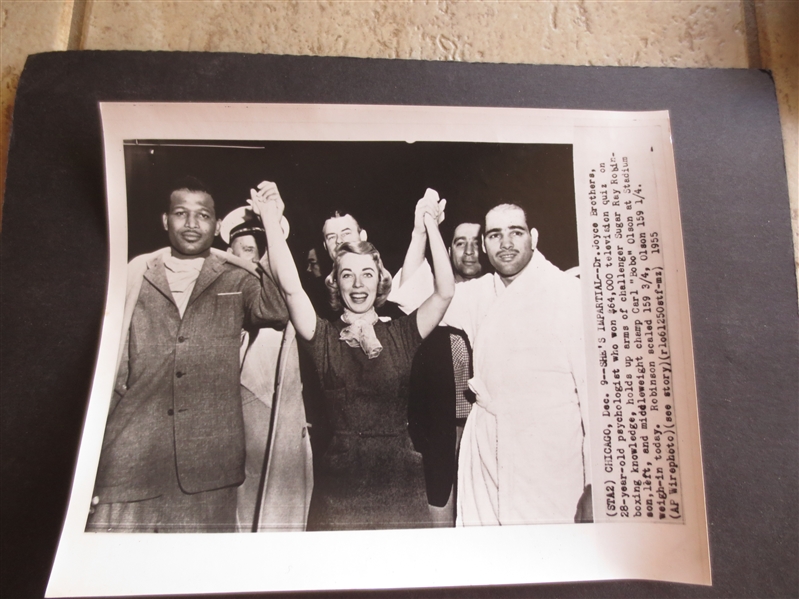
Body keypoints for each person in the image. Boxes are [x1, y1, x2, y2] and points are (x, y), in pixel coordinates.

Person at [86, 177, 289, 533]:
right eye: (181, 213)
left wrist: (272, 222)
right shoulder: (135, 273)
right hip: (132, 456)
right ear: (166, 220)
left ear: (215, 225)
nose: (192, 224)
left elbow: (275, 309)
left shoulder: (235, 277)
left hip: (209, 464)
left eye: (203, 215)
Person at [253, 180, 455, 531]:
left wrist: (430, 227)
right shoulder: (322, 337)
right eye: (348, 275)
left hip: (401, 484)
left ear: (381, 281)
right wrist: (271, 221)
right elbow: (289, 286)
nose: (358, 284)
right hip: (339, 488)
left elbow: (445, 290)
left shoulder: (403, 333)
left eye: (367, 274)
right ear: (335, 282)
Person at [391, 195, 592, 526]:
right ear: (484, 246)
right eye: (495, 235)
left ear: (535, 238)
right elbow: (417, 297)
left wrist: (595, 484)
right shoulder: (480, 293)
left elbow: (594, 398)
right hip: (486, 450)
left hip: (552, 454)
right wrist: (420, 232)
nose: (506, 243)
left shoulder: (567, 293)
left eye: (516, 232)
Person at [219, 206, 312, 532]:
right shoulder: (218, 288)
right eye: (244, 251)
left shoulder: (276, 300)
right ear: (229, 250)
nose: (252, 261)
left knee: (274, 498)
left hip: (271, 413)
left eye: (258, 253)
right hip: (228, 413)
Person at [407, 219, 483, 526]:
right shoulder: (433, 297)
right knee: (440, 515)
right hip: (440, 432)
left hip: (482, 428)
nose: (469, 251)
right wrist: (422, 229)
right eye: (460, 242)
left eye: (476, 242)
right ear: (447, 249)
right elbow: (409, 283)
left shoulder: (495, 296)